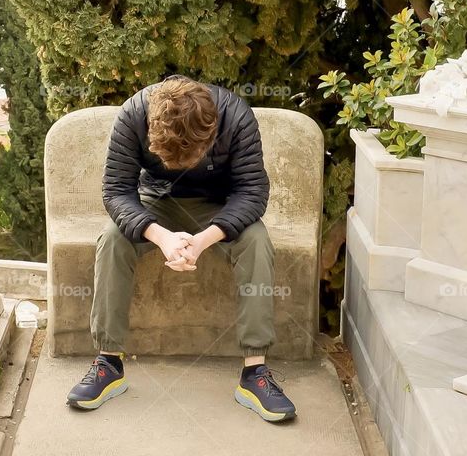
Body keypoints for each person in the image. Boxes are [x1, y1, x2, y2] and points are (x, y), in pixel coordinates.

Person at [66, 75, 297, 423]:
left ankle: (255, 372)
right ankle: (108, 363)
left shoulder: (236, 115)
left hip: (217, 206)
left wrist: (202, 241)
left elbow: (252, 192)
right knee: (112, 238)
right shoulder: (133, 115)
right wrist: (161, 237)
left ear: (210, 131)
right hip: (155, 202)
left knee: (257, 241)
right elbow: (115, 191)